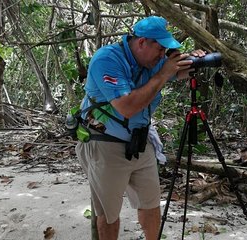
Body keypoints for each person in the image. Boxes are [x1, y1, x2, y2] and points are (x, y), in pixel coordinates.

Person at [75, 16, 205, 240]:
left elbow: (180, 72)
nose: (163, 54)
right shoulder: (107, 59)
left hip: (140, 143)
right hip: (106, 145)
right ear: (142, 42)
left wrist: (196, 60)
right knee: (108, 214)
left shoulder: (151, 62)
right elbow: (127, 107)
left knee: (150, 203)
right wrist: (164, 73)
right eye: (161, 48)